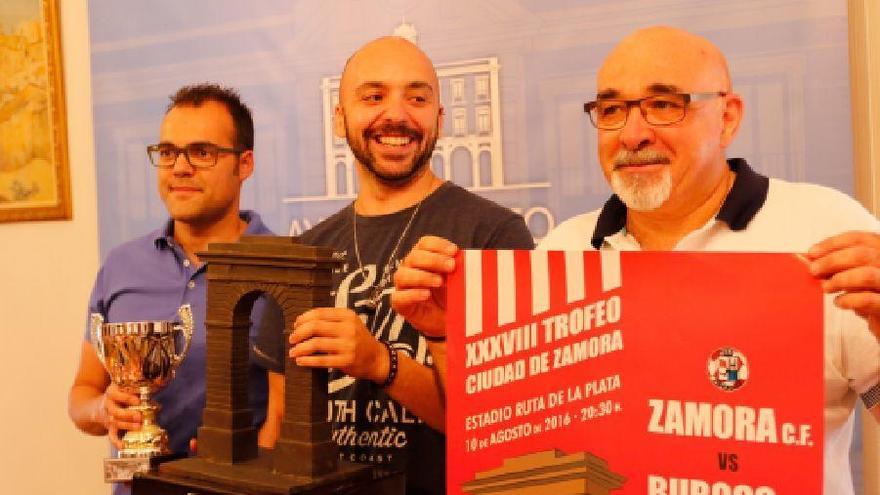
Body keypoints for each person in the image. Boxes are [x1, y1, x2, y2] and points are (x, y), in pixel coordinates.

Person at [392, 27, 880, 495]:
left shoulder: (825, 228)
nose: (632, 134)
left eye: (663, 105)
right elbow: (507, 433)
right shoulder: (563, 251)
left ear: (727, 117)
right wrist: (443, 336)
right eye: (611, 109)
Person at [257, 36, 533, 495]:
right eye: (373, 96)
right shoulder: (304, 251)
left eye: (418, 98)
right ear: (339, 118)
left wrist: (379, 362)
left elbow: (505, 425)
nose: (398, 114)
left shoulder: (493, 236)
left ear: (439, 120)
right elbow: (280, 423)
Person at [68, 83, 275, 495]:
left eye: (202, 152)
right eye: (167, 153)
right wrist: (103, 410)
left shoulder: (279, 270)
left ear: (245, 163)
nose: (180, 167)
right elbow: (82, 393)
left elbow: (290, 419)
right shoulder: (121, 266)